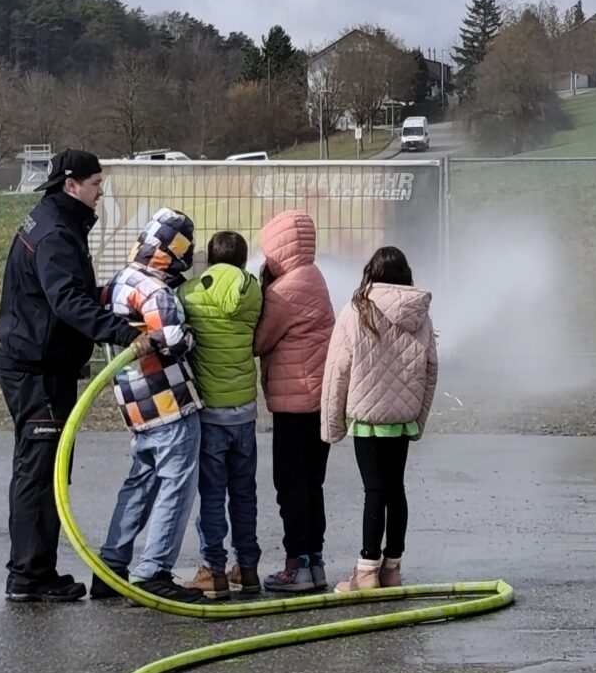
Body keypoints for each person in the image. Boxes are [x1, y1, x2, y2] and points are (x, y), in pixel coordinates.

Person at [0, 149, 136, 604]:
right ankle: (30, 576)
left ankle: (35, 570)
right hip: (38, 369)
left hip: (41, 361)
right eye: (96, 185)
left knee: (45, 469)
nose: (100, 194)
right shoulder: (55, 233)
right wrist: (123, 333)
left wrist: (108, 295)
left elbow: (69, 291)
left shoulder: (52, 222)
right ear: (71, 184)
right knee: (40, 473)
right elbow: (67, 301)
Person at [93, 209, 207, 603]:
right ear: (175, 254)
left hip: (134, 404)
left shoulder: (118, 282)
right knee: (176, 487)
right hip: (169, 403)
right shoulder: (157, 291)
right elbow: (173, 340)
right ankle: (154, 570)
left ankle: (110, 566)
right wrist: (191, 334)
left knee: (140, 483)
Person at [319, 245, 439, 591]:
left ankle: (367, 570)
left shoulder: (356, 310)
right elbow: (431, 370)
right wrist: (418, 419)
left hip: (367, 420)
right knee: (396, 490)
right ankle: (392, 568)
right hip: (401, 420)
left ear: (371, 272)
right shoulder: (421, 314)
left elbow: (337, 371)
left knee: (374, 491)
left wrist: (331, 425)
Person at [254, 209, 336, 593]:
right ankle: (315, 561)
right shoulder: (314, 277)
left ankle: (295, 565)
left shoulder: (283, 292)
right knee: (311, 484)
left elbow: (260, 342)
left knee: (289, 484)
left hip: (293, 404)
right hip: (319, 400)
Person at [180, 230, 263, 600]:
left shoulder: (190, 293)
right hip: (245, 412)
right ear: (244, 260)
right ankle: (247, 569)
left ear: (209, 260)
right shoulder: (254, 291)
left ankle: (213, 570)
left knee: (212, 495)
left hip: (210, 414)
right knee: (244, 494)